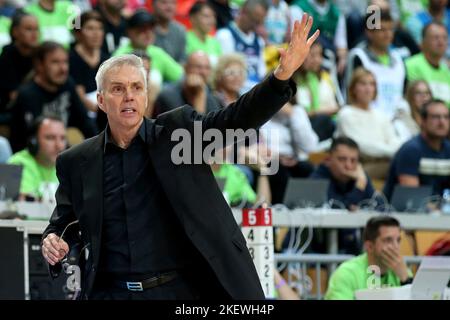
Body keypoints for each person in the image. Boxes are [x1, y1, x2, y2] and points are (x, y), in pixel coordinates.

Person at [40, 14, 320, 300]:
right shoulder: (77, 160)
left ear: (147, 96)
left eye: (137, 87)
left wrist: (280, 76)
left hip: (180, 290)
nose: (129, 96)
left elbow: (236, 119)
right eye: (117, 89)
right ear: (101, 101)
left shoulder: (178, 135)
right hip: (110, 293)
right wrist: (54, 240)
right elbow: (64, 223)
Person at [9, 41, 97, 152]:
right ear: (39, 65)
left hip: (62, 152)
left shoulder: (68, 84)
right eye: (55, 62)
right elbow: (28, 141)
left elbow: (86, 123)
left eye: (65, 62)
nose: (63, 69)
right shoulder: (27, 95)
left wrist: (99, 149)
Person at [310, 137, 377, 254]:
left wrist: (361, 182)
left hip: (349, 248)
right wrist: (360, 186)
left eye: (353, 160)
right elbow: (338, 208)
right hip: (318, 252)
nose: (348, 165)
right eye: (342, 159)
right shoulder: (317, 179)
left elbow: (378, 205)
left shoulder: (359, 177)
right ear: (328, 159)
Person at [336, 67, 402, 179]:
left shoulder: (381, 115)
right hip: (358, 166)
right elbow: (361, 146)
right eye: (363, 84)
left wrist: (394, 151)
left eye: (372, 84)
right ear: (353, 88)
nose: (368, 89)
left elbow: (394, 140)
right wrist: (392, 152)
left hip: (386, 161)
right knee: (401, 167)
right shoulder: (346, 114)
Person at [325, 216, 412, 300]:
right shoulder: (346, 274)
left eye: (398, 240)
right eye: (388, 240)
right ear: (369, 246)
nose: (396, 247)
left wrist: (406, 280)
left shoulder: (402, 272)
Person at [345, 9, 406, 120]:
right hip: (366, 118)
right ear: (369, 32)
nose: (388, 34)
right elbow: (350, 94)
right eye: (382, 29)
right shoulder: (358, 56)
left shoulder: (398, 59)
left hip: (396, 122)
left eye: (390, 29)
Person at [384, 99, 450, 201]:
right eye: (435, 117)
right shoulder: (411, 150)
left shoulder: (448, 150)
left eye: (446, 117)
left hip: (438, 212)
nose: (442, 122)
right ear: (423, 121)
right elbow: (412, 199)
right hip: (403, 214)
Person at [113, 9, 183, 85]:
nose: (148, 33)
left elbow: (180, 77)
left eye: (151, 29)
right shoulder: (121, 55)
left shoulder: (157, 52)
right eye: (142, 29)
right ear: (130, 32)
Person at [7, 115, 66, 201]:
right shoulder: (18, 165)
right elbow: (23, 208)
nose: (59, 145)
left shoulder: (67, 167)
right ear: (33, 142)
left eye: (63, 138)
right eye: (50, 138)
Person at [216, 0, 268, 93]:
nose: (256, 25)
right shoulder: (225, 35)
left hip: (256, 92)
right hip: (236, 91)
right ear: (243, 12)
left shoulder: (259, 41)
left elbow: (261, 73)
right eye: (254, 20)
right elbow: (226, 73)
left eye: (259, 22)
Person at [153, 51, 221, 116]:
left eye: (207, 68)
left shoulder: (213, 100)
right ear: (185, 68)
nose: (203, 72)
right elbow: (195, 127)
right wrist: (199, 96)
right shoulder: (168, 96)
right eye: (198, 67)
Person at [0, 10, 39, 113]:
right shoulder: (8, 55)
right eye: (29, 29)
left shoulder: (40, 54)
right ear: (15, 32)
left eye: (36, 29)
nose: (34, 34)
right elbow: (14, 96)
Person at [405, 22, 450, 107]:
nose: (441, 42)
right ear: (422, 41)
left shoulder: (447, 72)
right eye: (436, 37)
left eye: (444, 38)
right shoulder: (411, 65)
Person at [186, 1, 222, 66]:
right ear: (193, 18)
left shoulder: (215, 42)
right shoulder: (185, 39)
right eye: (206, 16)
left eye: (214, 16)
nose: (212, 21)